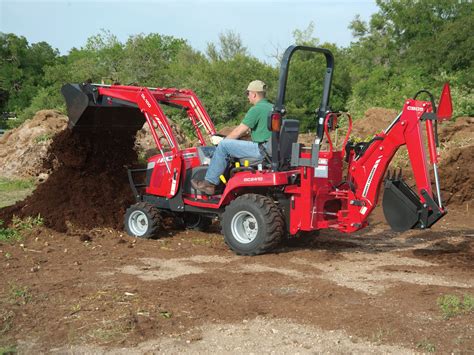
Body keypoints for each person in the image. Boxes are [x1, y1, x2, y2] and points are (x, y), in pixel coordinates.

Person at [191, 80, 273, 195]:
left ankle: (209, 183)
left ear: (254, 94)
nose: (248, 96)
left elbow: (239, 131)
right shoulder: (273, 108)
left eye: (248, 93)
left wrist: (221, 142)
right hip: (271, 150)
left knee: (224, 146)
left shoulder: (256, 109)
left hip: (261, 151)